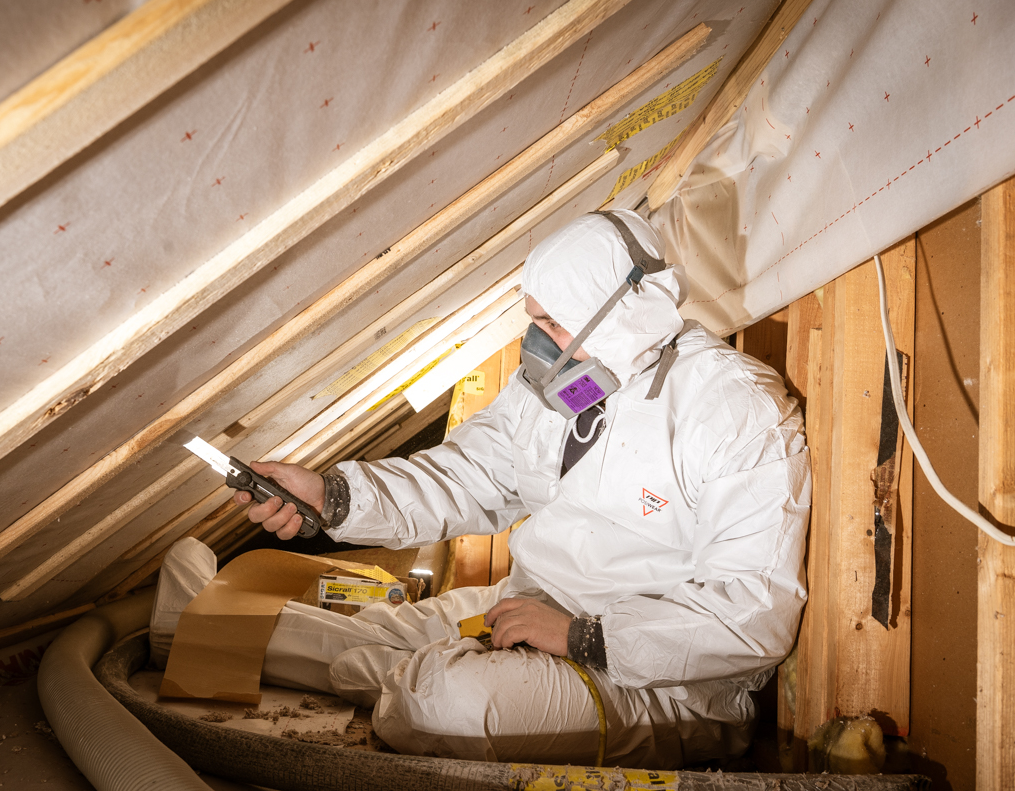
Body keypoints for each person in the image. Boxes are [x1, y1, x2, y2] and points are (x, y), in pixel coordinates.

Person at [157, 210, 810, 768]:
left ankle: (408, 671)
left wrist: (583, 638)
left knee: (449, 703)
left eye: (553, 323)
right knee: (381, 629)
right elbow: (466, 476)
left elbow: (752, 615)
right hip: (525, 606)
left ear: (617, 316)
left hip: (657, 678)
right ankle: (187, 625)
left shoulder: (732, 411)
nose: (536, 343)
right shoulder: (576, 382)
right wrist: (332, 496)